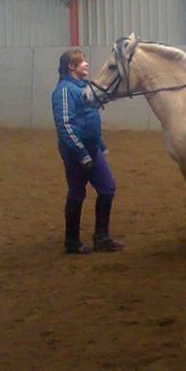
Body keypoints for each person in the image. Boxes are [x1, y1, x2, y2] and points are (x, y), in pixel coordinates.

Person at [51, 48, 123, 254]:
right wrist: (81, 153)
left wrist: (99, 144)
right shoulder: (64, 91)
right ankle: (72, 241)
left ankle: (101, 237)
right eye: (82, 61)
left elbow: (90, 119)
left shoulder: (85, 88)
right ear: (71, 66)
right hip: (76, 153)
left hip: (92, 149)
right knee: (77, 193)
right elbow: (66, 125)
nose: (86, 64)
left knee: (107, 188)